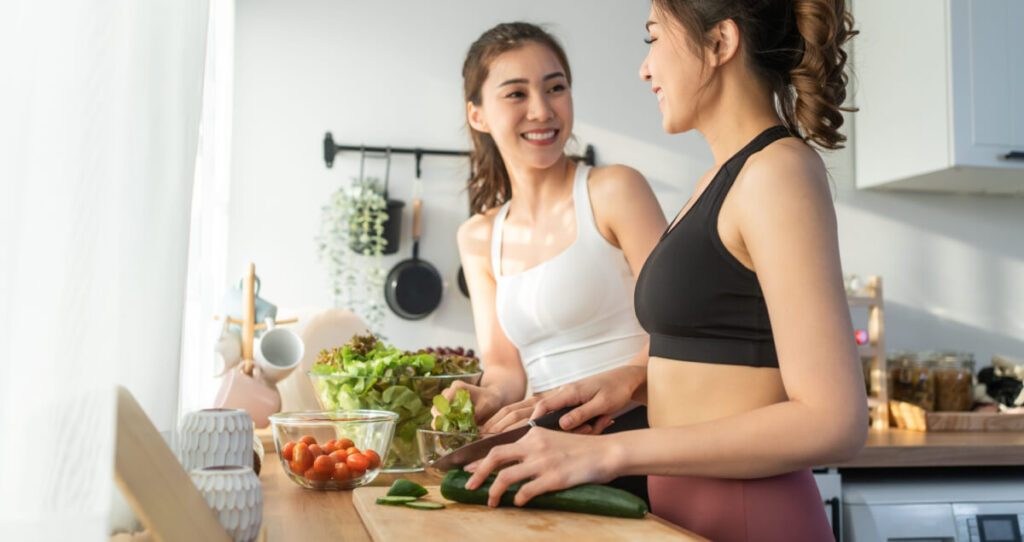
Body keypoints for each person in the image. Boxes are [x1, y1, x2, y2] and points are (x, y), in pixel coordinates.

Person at [462, 2, 868, 541]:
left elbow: (834, 420)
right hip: (682, 517)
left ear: (720, 43)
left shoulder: (779, 172)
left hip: (751, 520)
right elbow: (718, 358)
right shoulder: (718, 181)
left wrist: (606, 453)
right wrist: (628, 380)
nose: (645, 68)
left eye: (653, 38)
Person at [445, 22, 667, 503]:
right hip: (546, 448)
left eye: (555, 88)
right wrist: (486, 396)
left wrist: (621, 388)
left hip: (638, 438)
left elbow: (681, 329)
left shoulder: (614, 191)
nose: (542, 110)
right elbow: (506, 370)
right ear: (478, 115)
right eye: (516, 94)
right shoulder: (479, 236)